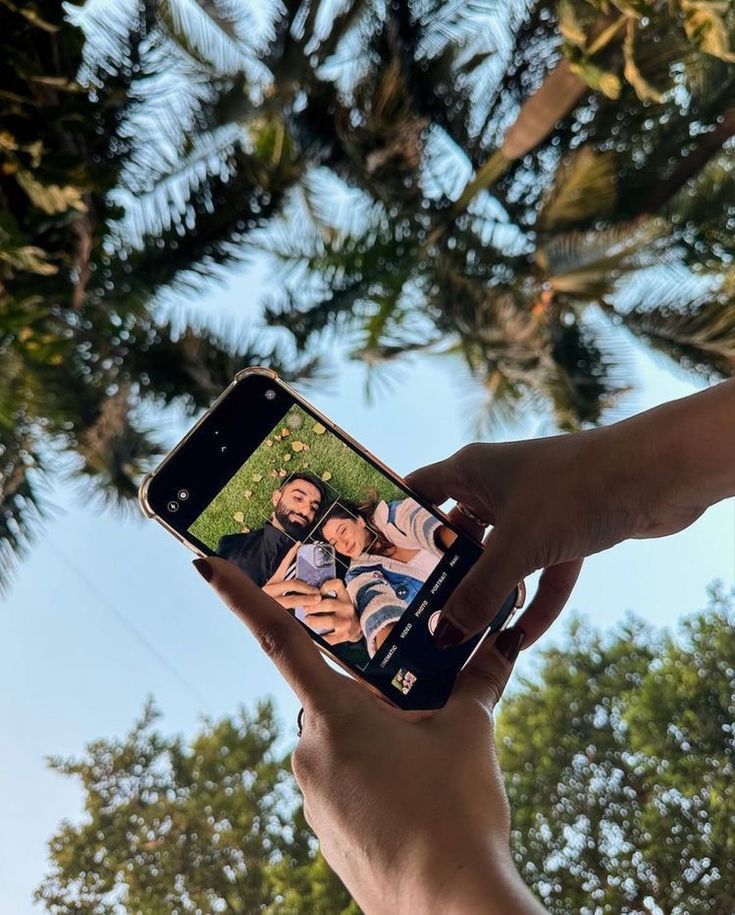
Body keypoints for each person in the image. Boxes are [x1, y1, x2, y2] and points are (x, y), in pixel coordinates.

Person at [193, 379, 734, 914]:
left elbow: (418, 534)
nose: (326, 528)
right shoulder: (338, 572)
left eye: (324, 513)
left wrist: (423, 879)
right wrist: (625, 474)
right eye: (308, 512)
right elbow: (374, 606)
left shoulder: (386, 525)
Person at [318, 496, 457, 656]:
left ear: (360, 521)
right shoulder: (356, 575)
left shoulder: (392, 516)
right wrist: (391, 646)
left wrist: (459, 543)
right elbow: (373, 605)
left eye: (342, 531)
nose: (343, 544)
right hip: (446, 633)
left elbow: (423, 524)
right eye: (334, 543)